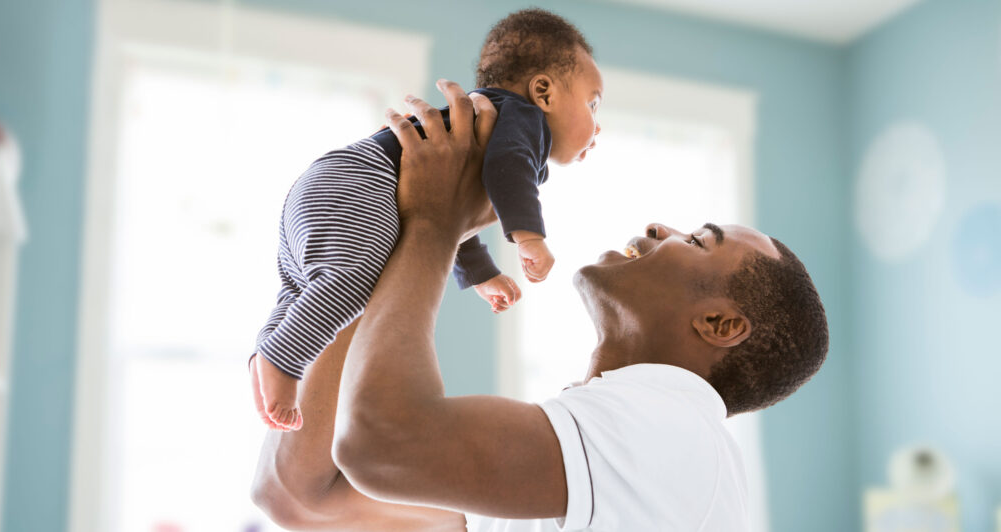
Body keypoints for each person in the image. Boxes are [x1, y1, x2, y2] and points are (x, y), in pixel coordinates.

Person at [249, 81, 830, 531]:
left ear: (721, 324)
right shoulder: (578, 469)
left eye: (701, 241)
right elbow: (301, 496)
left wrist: (434, 221)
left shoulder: (674, 431)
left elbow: (383, 442)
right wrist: (382, 233)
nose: (661, 225)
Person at [249, 8, 603, 432]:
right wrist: (530, 238)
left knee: (301, 285)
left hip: (333, 181)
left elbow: (457, 210)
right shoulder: (524, 123)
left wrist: (482, 274)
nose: (598, 127)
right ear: (543, 92)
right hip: (365, 180)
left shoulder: (488, 121)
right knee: (352, 282)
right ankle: (282, 361)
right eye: (593, 104)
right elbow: (509, 169)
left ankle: (265, 353)